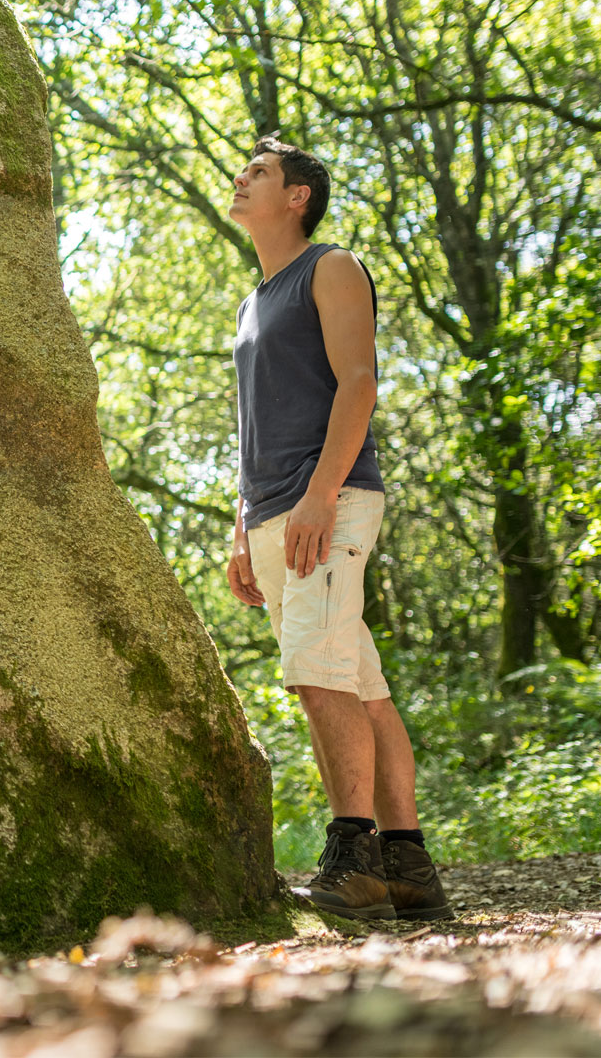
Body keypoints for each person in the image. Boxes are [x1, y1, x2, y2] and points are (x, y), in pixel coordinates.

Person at [225, 137, 451, 921]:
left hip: (331, 498)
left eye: (259, 172)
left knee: (317, 676)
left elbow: (360, 381)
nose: (242, 179)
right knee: (357, 683)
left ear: (298, 197)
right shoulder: (255, 301)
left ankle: (351, 855)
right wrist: (241, 522)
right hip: (274, 509)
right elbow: (255, 424)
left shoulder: (333, 266)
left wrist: (322, 495)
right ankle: (409, 870)